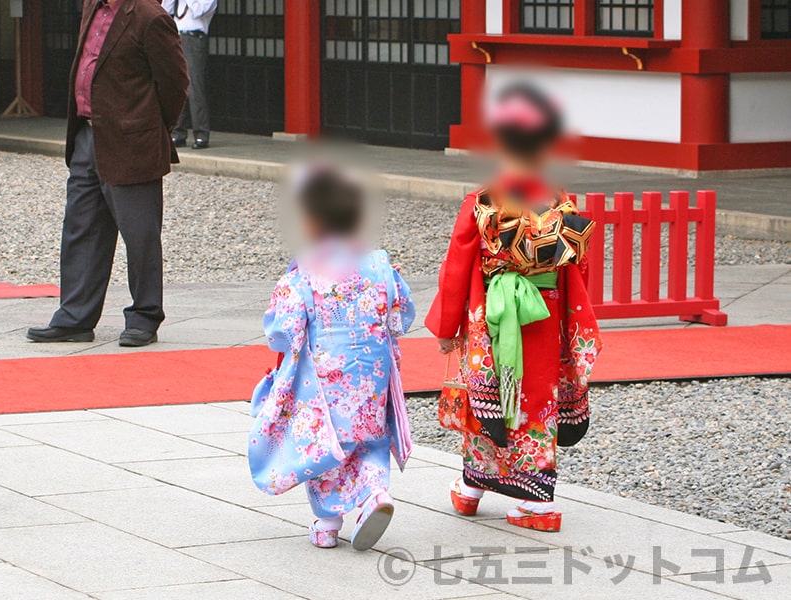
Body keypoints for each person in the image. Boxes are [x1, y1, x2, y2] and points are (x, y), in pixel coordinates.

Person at [425, 83, 601, 532]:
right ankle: (507, 495)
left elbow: (457, 268)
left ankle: (487, 495)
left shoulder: (483, 200)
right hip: (544, 313)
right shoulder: (560, 201)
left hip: (492, 316)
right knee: (535, 398)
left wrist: (447, 326)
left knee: (486, 392)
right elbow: (575, 266)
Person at [248, 167, 416, 550]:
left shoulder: (304, 273)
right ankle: (375, 494)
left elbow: (281, 330)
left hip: (324, 382)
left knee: (325, 446)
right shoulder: (380, 265)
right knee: (370, 440)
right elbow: (401, 316)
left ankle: (326, 525)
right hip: (371, 379)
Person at [27, 0, 189, 348]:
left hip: (132, 139)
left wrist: (150, 127)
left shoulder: (150, 16)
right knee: (81, 227)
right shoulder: (91, 7)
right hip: (87, 133)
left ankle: (144, 316)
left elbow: (175, 82)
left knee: (140, 233)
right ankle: (75, 317)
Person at [161, 0, 216, 149]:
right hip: (177, 36)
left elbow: (198, 11)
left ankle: (201, 134)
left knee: (195, 88)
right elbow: (166, 10)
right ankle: (178, 133)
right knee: (177, 86)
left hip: (194, 38)